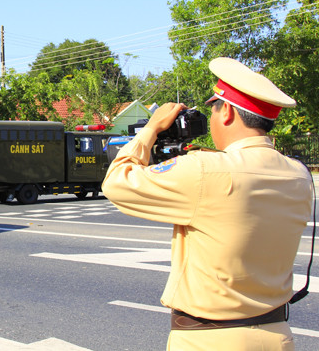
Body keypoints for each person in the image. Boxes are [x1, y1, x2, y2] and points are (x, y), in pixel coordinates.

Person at [101, 57, 313, 350]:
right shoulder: (299, 174)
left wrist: (151, 128)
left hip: (210, 340)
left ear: (225, 111)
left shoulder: (204, 169)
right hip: (277, 334)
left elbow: (117, 183)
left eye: (212, 109)